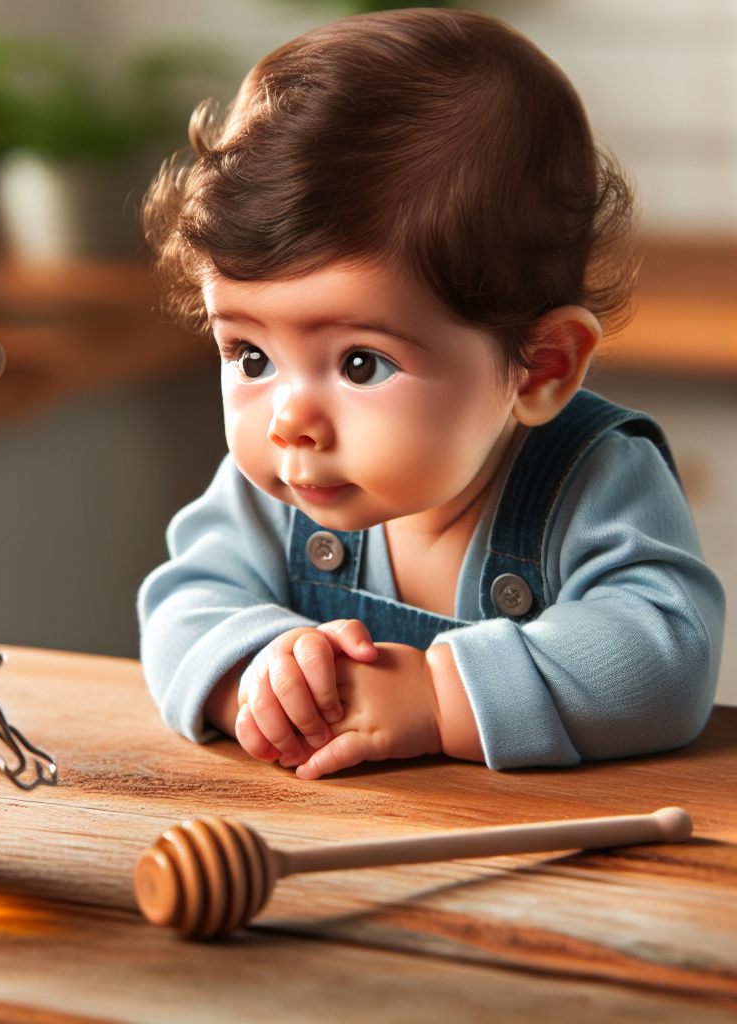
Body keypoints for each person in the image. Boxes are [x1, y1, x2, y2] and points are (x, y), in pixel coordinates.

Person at [137, 8, 725, 780]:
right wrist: (254, 670)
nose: (290, 421)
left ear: (541, 367)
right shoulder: (280, 491)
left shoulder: (595, 479)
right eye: (250, 355)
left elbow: (663, 655)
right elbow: (183, 602)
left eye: (359, 365)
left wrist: (437, 696)